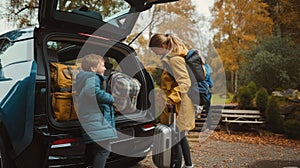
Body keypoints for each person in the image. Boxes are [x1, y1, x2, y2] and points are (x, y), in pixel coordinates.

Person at [149, 33, 195, 168]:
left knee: (175, 139)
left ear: (162, 46)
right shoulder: (171, 59)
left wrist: (171, 99)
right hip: (177, 105)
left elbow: (185, 82)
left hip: (179, 105)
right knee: (179, 136)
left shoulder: (175, 60)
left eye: (154, 50)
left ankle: (179, 165)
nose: (155, 53)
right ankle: (189, 164)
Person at [74, 53, 117, 168]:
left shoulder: (85, 79)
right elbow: (92, 92)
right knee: (103, 151)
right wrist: (112, 99)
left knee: (94, 150)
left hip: (92, 121)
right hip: (97, 123)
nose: (105, 68)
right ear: (93, 69)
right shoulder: (93, 77)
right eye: (102, 65)